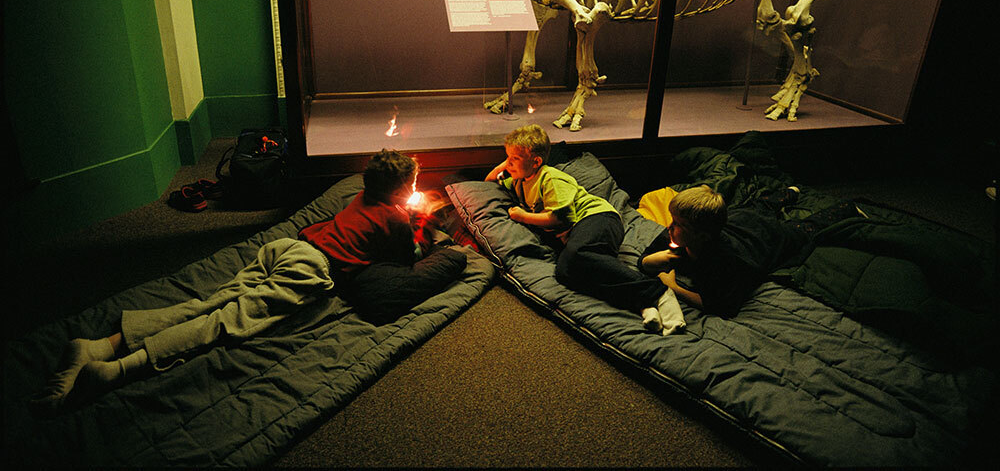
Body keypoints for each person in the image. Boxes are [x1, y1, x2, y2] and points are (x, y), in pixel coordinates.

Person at [31, 149, 466, 414]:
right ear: (399, 190)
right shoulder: (393, 216)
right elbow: (405, 257)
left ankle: (98, 345)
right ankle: (117, 370)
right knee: (225, 321)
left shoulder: (359, 194)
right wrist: (420, 223)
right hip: (312, 267)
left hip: (287, 248)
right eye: (411, 182)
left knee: (212, 300)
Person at [487, 124, 683, 334]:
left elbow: (558, 218)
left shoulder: (549, 177)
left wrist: (523, 216)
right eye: (507, 156)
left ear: (536, 161)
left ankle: (659, 292)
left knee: (574, 257)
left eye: (514, 158)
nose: (508, 163)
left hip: (599, 218)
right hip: (581, 233)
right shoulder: (518, 181)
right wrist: (506, 164)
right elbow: (489, 182)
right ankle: (644, 305)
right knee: (568, 273)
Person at [638, 184, 859, 317]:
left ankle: (847, 208)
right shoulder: (677, 236)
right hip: (741, 219)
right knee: (757, 206)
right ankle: (786, 193)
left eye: (678, 224)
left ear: (702, 235)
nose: (670, 227)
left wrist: (673, 287)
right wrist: (656, 260)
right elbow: (644, 261)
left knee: (803, 230)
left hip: (765, 237)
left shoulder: (727, 261)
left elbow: (721, 306)